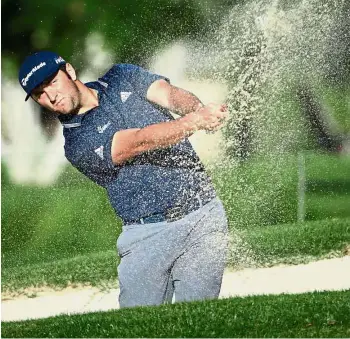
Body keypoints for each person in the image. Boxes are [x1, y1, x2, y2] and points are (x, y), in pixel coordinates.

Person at [19, 50, 229, 308]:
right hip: (148, 235)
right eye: (40, 93)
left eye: (52, 82)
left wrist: (198, 109)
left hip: (203, 216)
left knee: (201, 321)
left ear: (70, 72)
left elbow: (170, 94)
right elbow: (139, 141)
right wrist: (195, 121)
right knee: (140, 329)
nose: (51, 95)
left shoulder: (122, 76)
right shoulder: (76, 144)